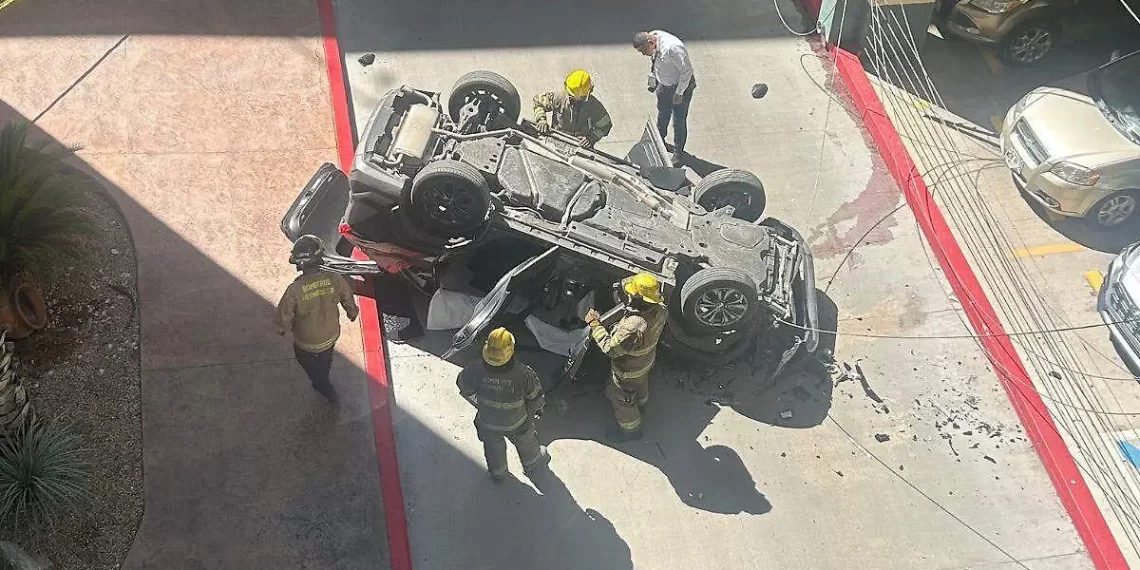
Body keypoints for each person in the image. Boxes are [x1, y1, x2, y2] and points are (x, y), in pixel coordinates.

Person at [274, 234, 359, 402]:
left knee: (305, 360)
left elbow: (284, 315)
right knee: (326, 358)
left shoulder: (294, 290)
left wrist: (282, 328)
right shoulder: (335, 279)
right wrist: (352, 312)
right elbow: (348, 298)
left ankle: (321, 383)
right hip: (331, 335)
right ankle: (324, 374)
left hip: (306, 342)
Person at [457, 327, 549, 482]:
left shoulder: (474, 369)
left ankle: (498, 474)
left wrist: (479, 403)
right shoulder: (524, 374)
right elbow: (536, 398)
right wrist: (534, 413)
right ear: (510, 350)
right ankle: (531, 465)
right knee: (526, 441)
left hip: (487, 422)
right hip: (518, 422)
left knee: (493, 448)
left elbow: (463, 387)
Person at [584, 273, 668, 441]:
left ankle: (631, 430)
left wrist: (595, 325)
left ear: (636, 297)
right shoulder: (661, 310)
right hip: (644, 364)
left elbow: (610, 348)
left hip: (627, 372)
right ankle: (641, 405)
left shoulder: (633, 327)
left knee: (620, 398)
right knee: (640, 386)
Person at [632, 30, 696, 167]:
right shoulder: (654, 37)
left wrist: (679, 93)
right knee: (662, 115)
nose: (643, 54)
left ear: (650, 42)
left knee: (678, 121)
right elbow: (656, 62)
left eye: (643, 50)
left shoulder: (672, 48)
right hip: (664, 86)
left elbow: (687, 71)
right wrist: (654, 80)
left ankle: (678, 154)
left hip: (680, 88)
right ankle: (659, 141)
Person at [532, 70, 614, 148]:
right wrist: (541, 120)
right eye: (572, 98)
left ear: (590, 92)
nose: (577, 101)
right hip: (556, 140)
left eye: (582, 98)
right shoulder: (558, 98)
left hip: (580, 146)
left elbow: (605, 126)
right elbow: (538, 102)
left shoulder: (594, 106)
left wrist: (591, 138)